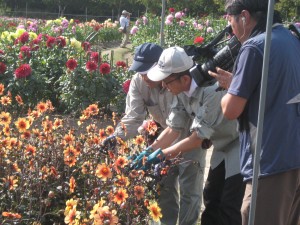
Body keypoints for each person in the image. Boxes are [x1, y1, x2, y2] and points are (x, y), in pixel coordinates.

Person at [208, 1, 300, 225]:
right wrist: (239, 83)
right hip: (294, 156)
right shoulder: (291, 39)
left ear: (244, 17)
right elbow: (274, 89)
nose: (231, 31)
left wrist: (231, 89)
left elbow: (231, 110)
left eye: (231, 22)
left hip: (270, 161)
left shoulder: (254, 46)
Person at [134, 46, 245, 225]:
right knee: (210, 197)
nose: (163, 86)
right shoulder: (181, 90)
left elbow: (197, 138)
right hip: (221, 144)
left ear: (184, 78)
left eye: (167, 81)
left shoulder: (211, 91)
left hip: (238, 142)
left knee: (229, 203)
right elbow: (174, 128)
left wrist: (162, 155)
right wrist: (149, 151)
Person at [104, 43, 206, 225]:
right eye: (140, 71)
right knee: (164, 188)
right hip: (163, 135)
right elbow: (134, 117)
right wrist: (116, 138)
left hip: (191, 137)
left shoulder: (177, 80)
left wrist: (154, 152)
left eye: (147, 71)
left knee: (190, 190)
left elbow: (183, 127)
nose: (144, 77)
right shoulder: (139, 82)